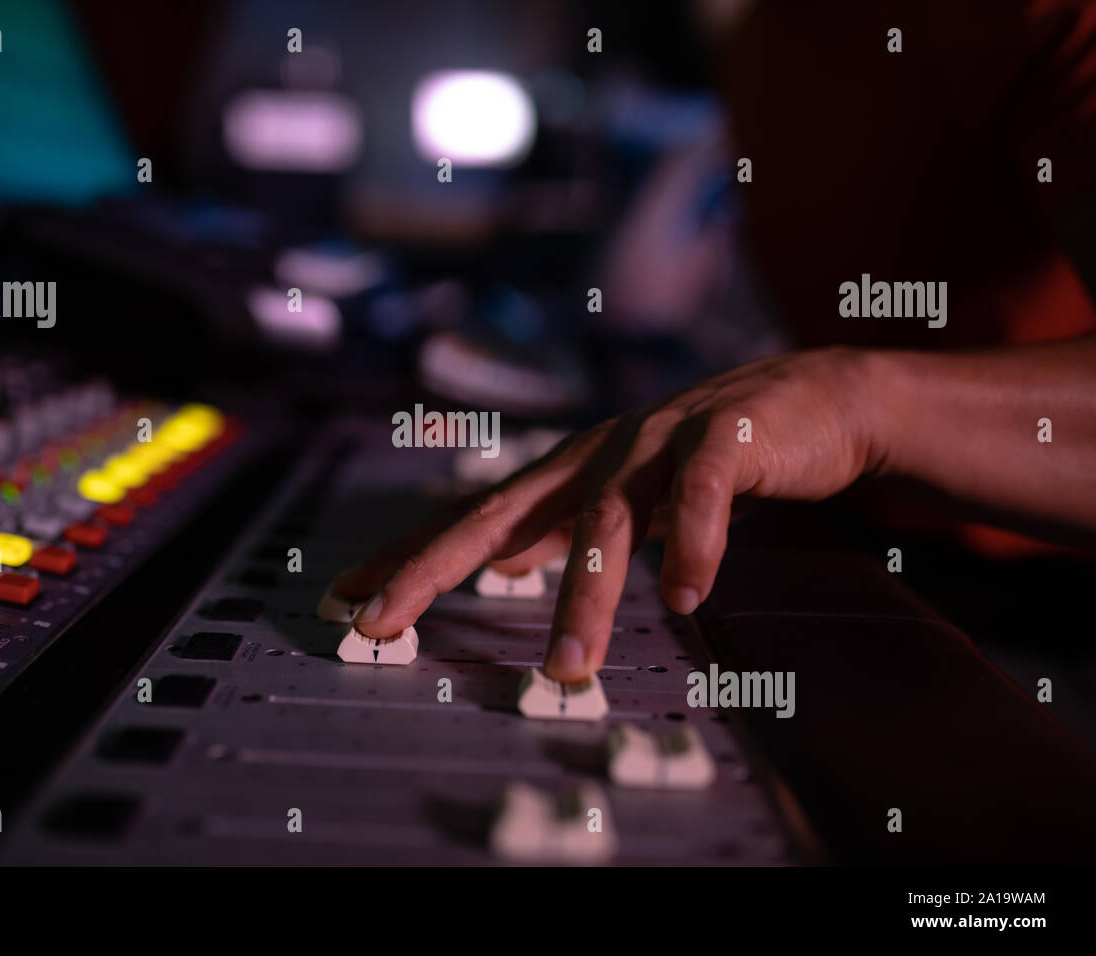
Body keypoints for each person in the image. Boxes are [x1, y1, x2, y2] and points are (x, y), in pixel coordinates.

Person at [329, 1, 1096, 685]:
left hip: (1048, 621)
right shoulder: (762, 40)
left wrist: (863, 401)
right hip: (857, 562)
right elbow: (636, 300)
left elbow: (856, 403)